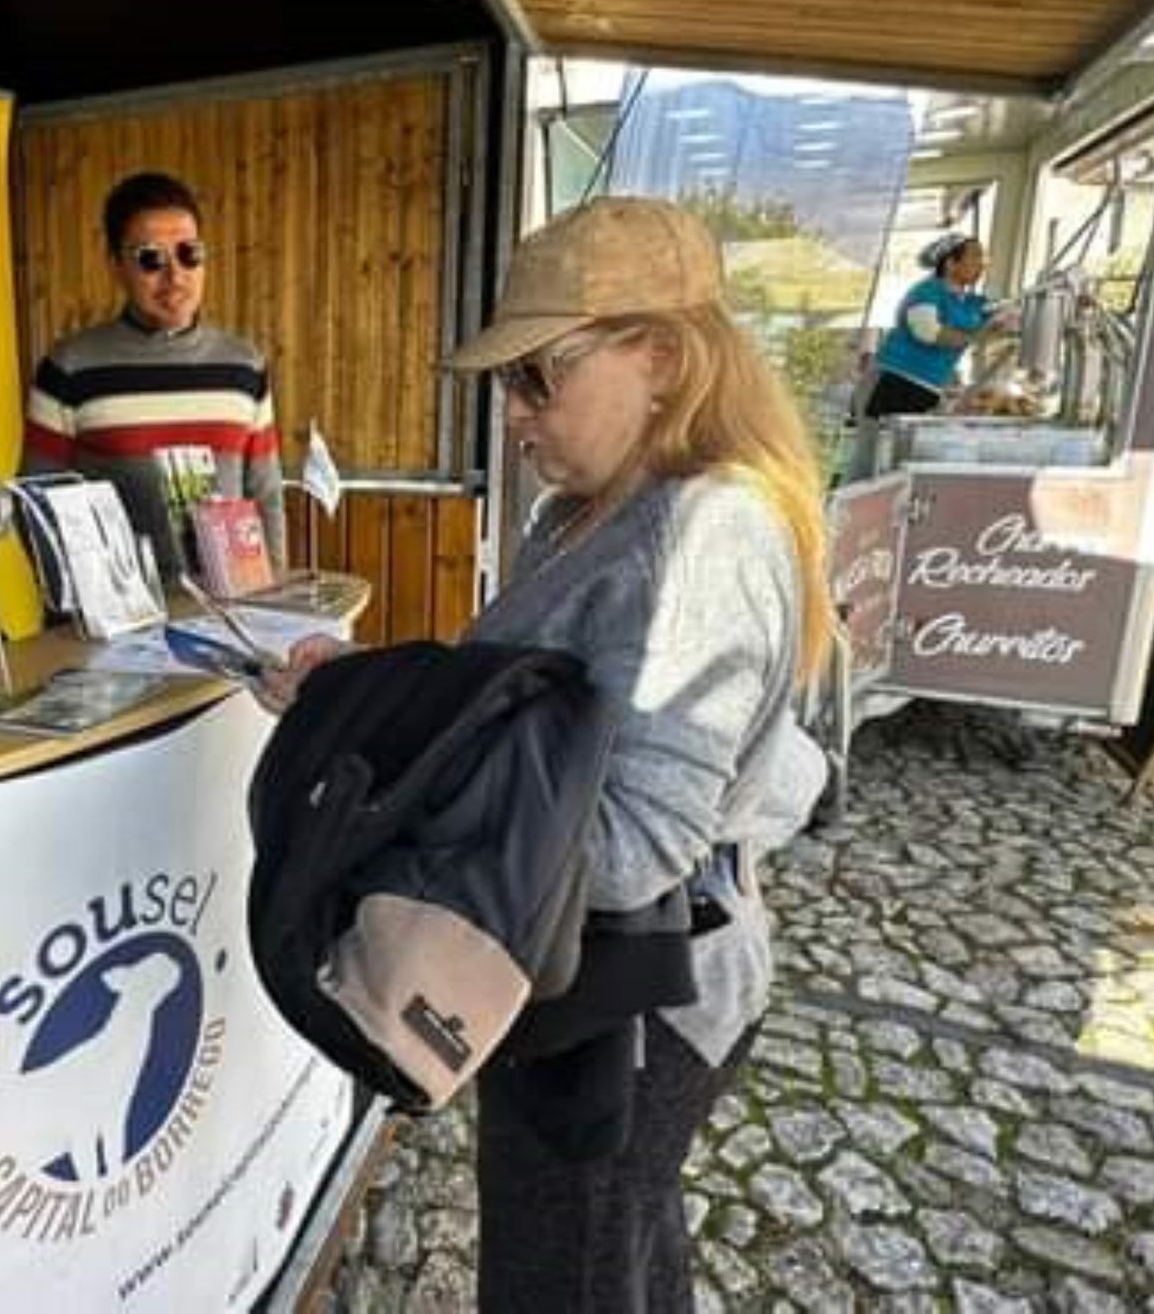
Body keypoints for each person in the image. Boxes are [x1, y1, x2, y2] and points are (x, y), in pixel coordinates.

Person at [262, 198, 830, 1313]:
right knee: (623, 1253)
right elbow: (519, 720)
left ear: (660, 358)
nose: (514, 413)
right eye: (506, 382)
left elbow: (626, 849)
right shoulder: (581, 511)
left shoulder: (706, 531)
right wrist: (358, 691)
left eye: (537, 376)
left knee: (562, 1276)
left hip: (630, 1008)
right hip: (569, 982)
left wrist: (388, 766)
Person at [22, 171, 287, 579]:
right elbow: (37, 503)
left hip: (233, 609)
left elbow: (265, 496)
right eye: (150, 258)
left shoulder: (245, 366)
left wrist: (273, 599)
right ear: (116, 266)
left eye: (189, 253)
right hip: (114, 615)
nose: (175, 276)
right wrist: (82, 602)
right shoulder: (68, 368)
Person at [865, 232, 1009, 417]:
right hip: (893, 381)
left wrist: (1007, 317)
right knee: (878, 433)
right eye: (975, 257)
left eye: (983, 258)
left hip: (928, 388)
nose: (982, 264)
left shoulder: (971, 302)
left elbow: (1000, 313)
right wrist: (979, 335)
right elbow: (928, 332)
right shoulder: (927, 291)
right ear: (950, 263)